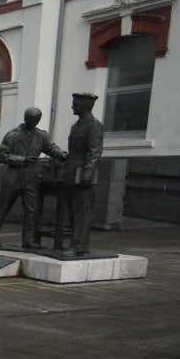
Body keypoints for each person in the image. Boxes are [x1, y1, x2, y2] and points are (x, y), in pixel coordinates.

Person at [0, 107, 66, 249]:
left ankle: (28, 240)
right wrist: (22, 159)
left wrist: (63, 155)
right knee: (2, 209)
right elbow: (1, 156)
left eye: (36, 120)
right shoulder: (13, 135)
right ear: (25, 118)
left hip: (31, 180)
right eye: (31, 119)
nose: (33, 122)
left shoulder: (42, 136)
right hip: (12, 179)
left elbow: (51, 149)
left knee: (32, 211)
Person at [62, 91, 105, 255]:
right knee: (73, 211)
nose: (72, 106)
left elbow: (94, 151)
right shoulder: (76, 126)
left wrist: (88, 172)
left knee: (83, 212)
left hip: (83, 174)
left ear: (85, 105)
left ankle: (79, 245)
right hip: (72, 173)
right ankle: (76, 243)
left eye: (75, 103)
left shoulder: (94, 125)